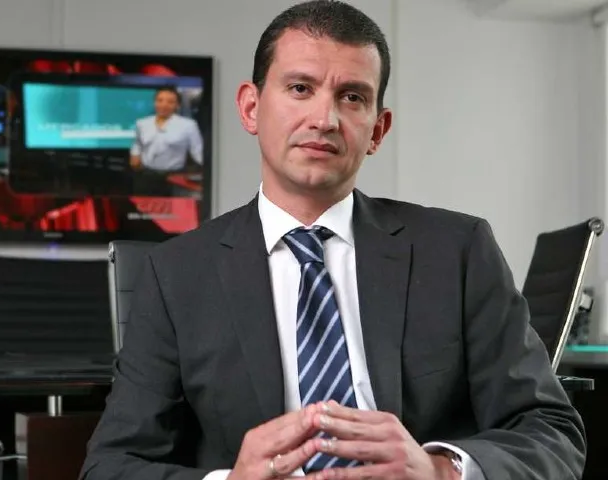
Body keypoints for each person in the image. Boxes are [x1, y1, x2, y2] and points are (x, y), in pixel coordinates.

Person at [81, 2, 585, 480]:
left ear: (377, 130)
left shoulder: (458, 251)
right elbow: (110, 466)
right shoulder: (176, 274)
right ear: (251, 108)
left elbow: (551, 432)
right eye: (300, 88)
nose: (325, 119)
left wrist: (438, 470)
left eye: (352, 97)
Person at [130, 86, 204, 196]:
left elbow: (198, 151)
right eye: (160, 100)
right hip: (146, 177)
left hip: (175, 177)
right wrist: (135, 157)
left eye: (170, 102)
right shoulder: (142, 124)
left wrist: (210, 170)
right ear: (154, 103)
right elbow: (137, 145)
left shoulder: (188, 125)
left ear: (177, 105)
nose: (164, 105)